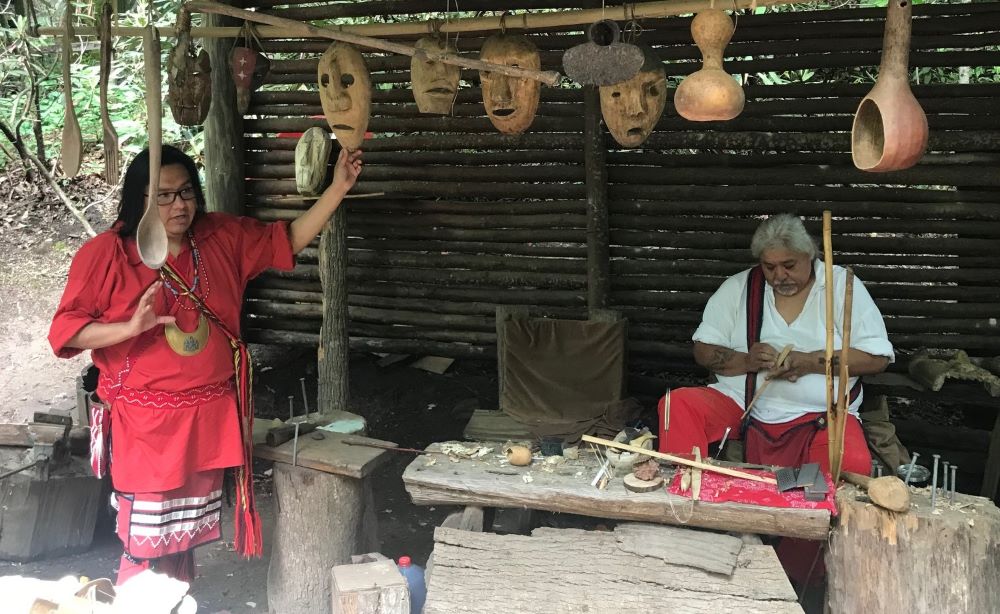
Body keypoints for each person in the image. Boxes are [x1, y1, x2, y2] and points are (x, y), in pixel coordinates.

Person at [48, 144, 362, 584]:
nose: (179, 205)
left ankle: (176, 600)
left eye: (186, 192)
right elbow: (66, 331)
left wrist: (338, 188)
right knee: (145, 545)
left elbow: (286, 240)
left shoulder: (220, 237)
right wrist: (128, 327)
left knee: (182, 543)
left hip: (208, 419)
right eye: (164, 195)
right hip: (147, 427)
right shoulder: (107, 255)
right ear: (139, 199)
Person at [657, 213, 893, 584]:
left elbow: (877, 358)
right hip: (743, 405)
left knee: (848, 462)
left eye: (789, 265)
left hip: (821, 414)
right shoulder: (740, 288)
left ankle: (785, 578)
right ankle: (687, 529)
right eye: (769, 267)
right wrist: (748, 360)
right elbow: (704, 350)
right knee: (677, 405)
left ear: (811, 255)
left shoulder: (841, 287)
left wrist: (812, 362)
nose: (779, 276)